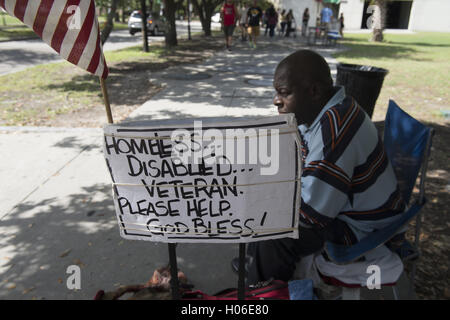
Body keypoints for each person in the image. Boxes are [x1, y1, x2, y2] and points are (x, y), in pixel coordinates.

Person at [232, 50, 405, 285]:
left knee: (273, 226)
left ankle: (265, 290)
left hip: (363, 228)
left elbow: (311, 215)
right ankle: (258, 267)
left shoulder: (334, 129)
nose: (275, 100)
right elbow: (297, 149)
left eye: (284, 93)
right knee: (264, 187)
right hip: (346, 205)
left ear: (313, 91)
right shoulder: (326, 110)